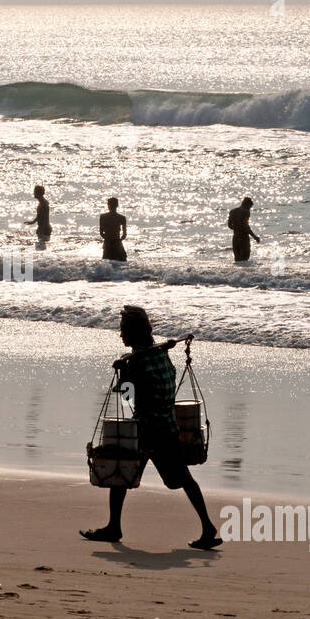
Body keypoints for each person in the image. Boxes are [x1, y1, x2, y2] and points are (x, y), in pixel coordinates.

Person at [80, 306, 222, 549]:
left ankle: (114, 527)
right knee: (184, 479)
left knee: (120, 468)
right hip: (168, 427)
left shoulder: (136, 363)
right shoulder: (161, 356)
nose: (121, 335)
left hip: (146, 430)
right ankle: (208, 528)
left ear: (134, 333)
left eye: (124, 331)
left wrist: (123, 372)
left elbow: (126, 400)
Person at [227, 196, 260, 261]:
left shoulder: (232, 211)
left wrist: (237, 228)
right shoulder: (246, 212)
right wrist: (254, 236)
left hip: (235, 238)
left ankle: (236, 272)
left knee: (237, 260)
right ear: (248, 205)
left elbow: (229, 225)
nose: (249, 209)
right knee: (245, 259)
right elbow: (246, 226)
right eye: (250, 207)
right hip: (243, 238)